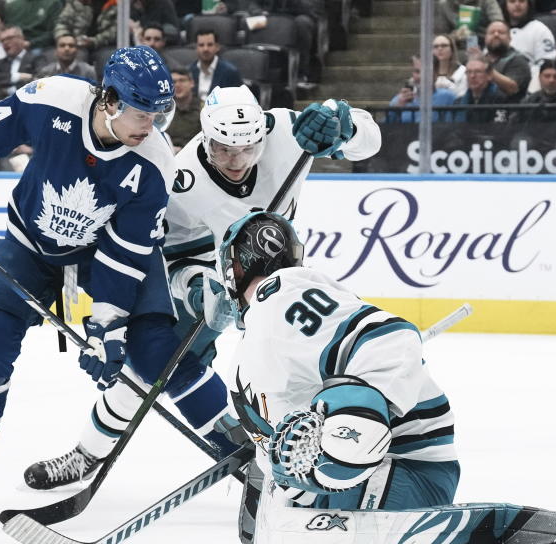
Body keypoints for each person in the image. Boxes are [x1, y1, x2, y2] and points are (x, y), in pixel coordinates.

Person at [21, 85, 381, 493]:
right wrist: (195, 288)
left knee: (298, 366)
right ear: (205, 138)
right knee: (149, 370)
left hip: (285, 274)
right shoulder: (180, 181)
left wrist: (344, 125)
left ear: (261, 134)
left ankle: (327, 450)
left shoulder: (286, 130)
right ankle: (88, 454)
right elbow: (165, 256)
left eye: (247, 149)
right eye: (224, 149)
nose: (236, 161)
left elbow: (369, 141)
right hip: (213, 278)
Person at [0, 46, 183, 518]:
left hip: (98, 254)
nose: (151, 127)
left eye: (158, 115)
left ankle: (232, 445)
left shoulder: (154, 164)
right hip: (28, 242)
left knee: (156, 347)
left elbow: (124, 256)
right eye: (142, 113)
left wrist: (106, 324)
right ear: (109, 100)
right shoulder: (53, 100)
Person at [218, 211, 458, 516]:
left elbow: (389, 340)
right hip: (333, 500)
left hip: (400, 475)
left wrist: (357, 420)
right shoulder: (258, 330)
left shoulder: (282, 296)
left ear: (233, 270)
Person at [387, 55, 457, 123]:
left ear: (436, 74)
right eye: (417, 71)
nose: (421, 76)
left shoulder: (448, 97)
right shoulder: (398, 100)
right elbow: (384, 129)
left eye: (426, 71)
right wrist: (396, 110)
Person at [477, 20, 532, 101]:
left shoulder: (518, 60)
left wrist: (487, 69)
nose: (496, 35)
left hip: (509, 109)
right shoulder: (478, 60)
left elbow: (512, 88)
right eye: (492, 32)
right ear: (485, 38)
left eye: (501, 32)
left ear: (510, 38)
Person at [503, 0, 556, 78]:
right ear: (505, 5)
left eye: (521, 1)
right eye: (512, 1)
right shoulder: (497, 30)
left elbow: (548, 63)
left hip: (531, 83)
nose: (517, 4)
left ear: (528, 4)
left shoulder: (540, 29)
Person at [190, 30, 243, 100]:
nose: (205, 49)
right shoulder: (189, 71)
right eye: (201, 45)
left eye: (210, 45)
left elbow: (238, 100)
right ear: (196, 48)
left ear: (217, 47)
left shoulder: (230, 72)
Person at [455, 54, 509, 122]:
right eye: (469, 72)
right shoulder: (459, 102)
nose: (472, 76)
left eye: (478, 72)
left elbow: (499, 128)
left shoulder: (500, 100)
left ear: (489, 75)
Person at [0, 25, 36, 96]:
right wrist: (17, 76)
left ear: (21, 39)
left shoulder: (36, 58)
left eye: (9, 38)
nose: (5, 42)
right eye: (3, 40)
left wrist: (8, 90)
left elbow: (39, 79)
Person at [165, 67, 201, 151]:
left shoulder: (203, 109)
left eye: (182, 80)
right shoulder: (164, 109)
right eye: (173, 82)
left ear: (191, 83)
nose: (177, 85)